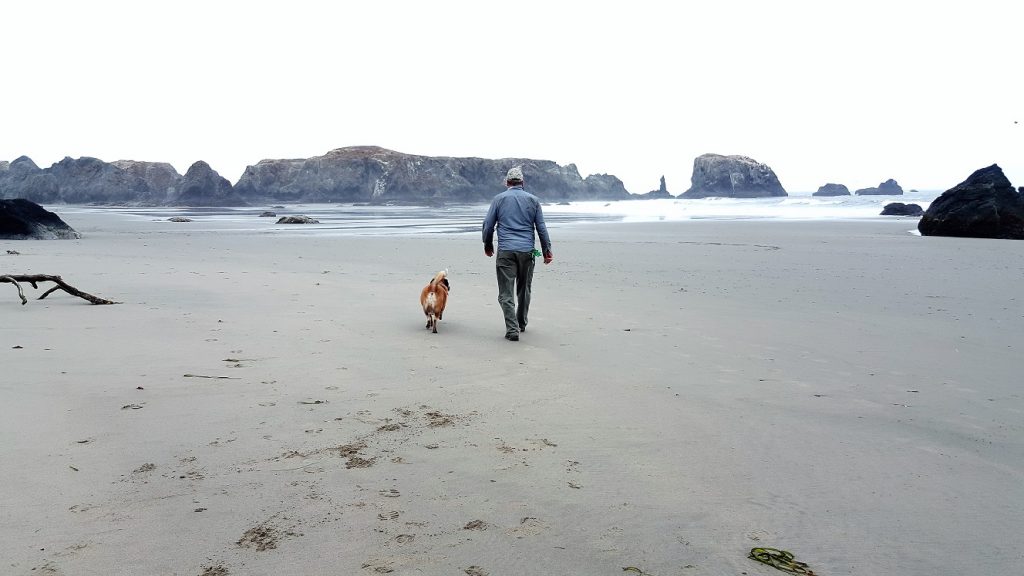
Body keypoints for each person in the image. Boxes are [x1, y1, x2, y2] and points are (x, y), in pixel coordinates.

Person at [482, 166, 553, 341]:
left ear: (507, 182)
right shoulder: (533, 200)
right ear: (523, 182)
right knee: (524, 289)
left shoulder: (498, 199)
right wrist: (546, 251)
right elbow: (541, 228)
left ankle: (512, 329)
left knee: (506, 293)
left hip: (506, 251)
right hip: (528, 251)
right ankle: (521, 323)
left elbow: (488, 225)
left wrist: (488, 244)